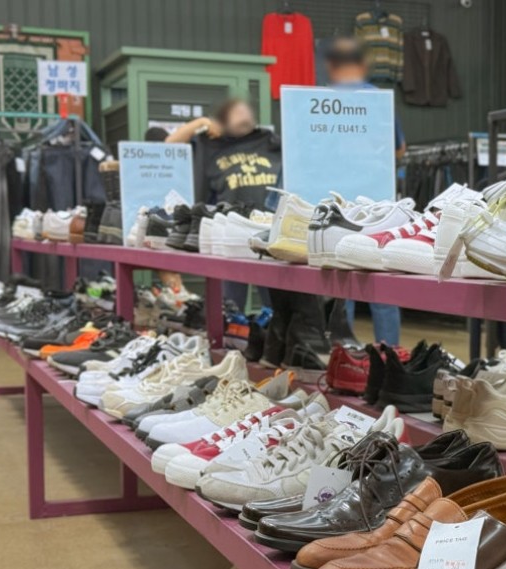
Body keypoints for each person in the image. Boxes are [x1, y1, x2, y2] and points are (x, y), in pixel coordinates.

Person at [167, 100, 328, 367]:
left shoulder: (270, 141)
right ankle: (228, 359)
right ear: (224, 118)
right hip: (233, 231)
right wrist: (201, 123)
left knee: (281, 303)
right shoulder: (211, 144)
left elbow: (307, 147)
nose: (244, 114)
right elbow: (171, 145)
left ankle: (277, 349)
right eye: (236, 110)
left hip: (270, 229)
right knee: (231, 306)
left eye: (247, 110)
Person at [324, 37, 406, 346]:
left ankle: (344, 355)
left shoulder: (320, 100)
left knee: (341, 284)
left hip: (336, 202)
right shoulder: (379, 100)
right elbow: (399, 149)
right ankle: (390, 356)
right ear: (362, 65)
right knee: (382, 284)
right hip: (378, 201)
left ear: (331, 65)